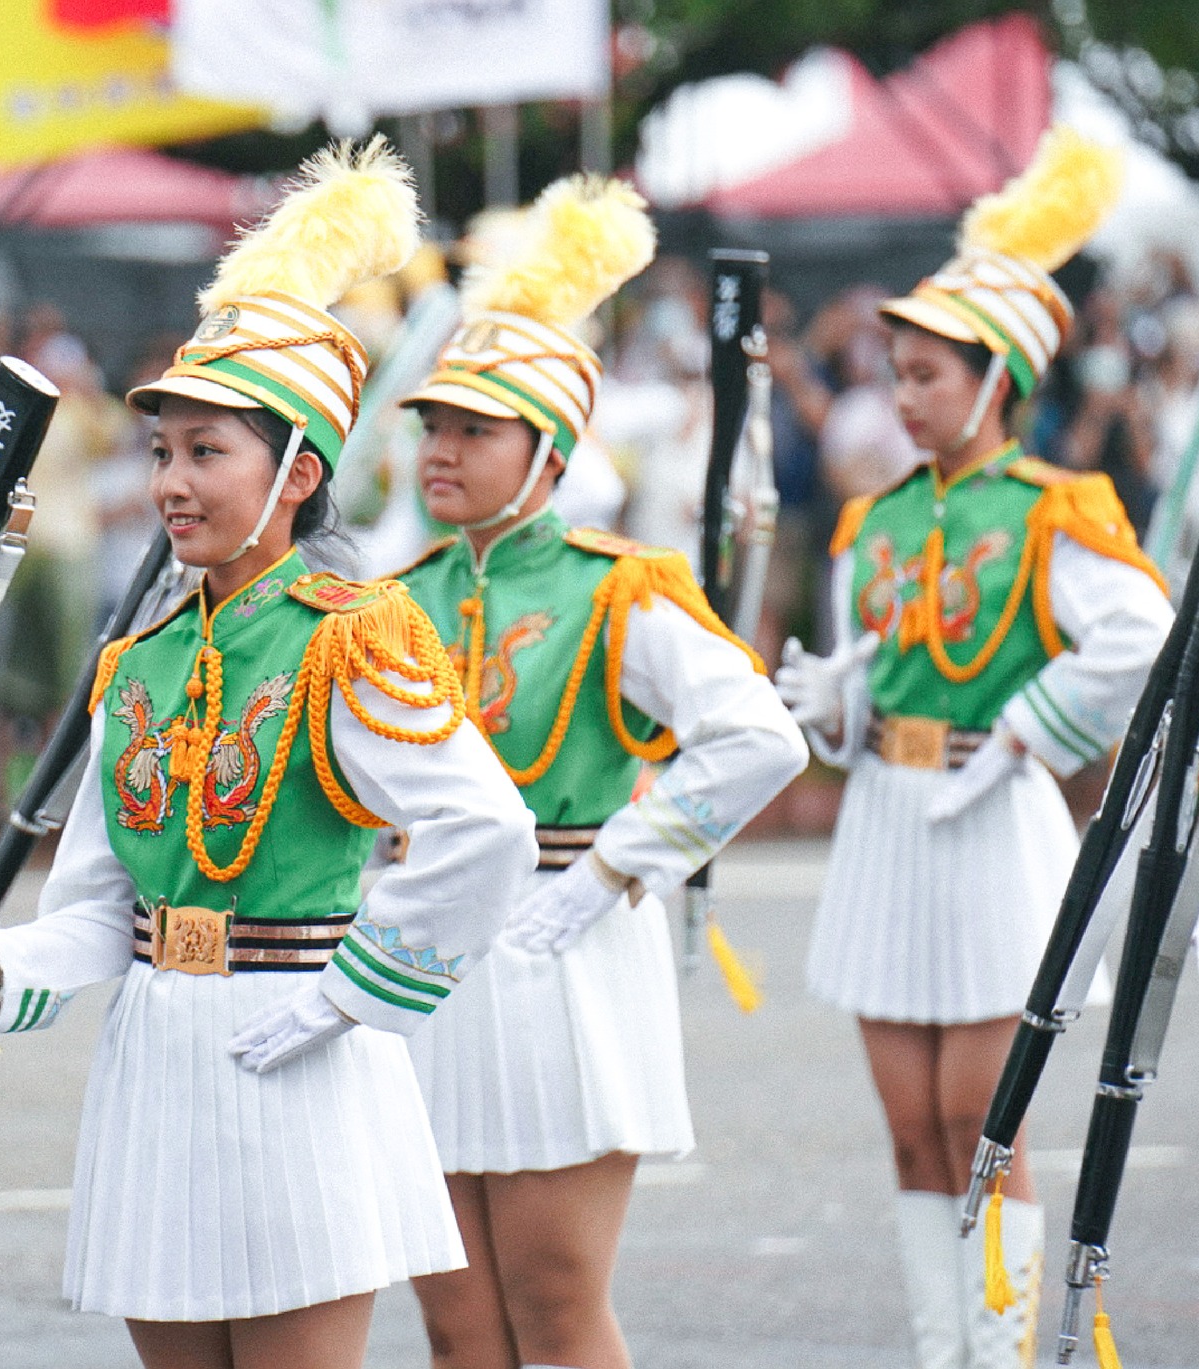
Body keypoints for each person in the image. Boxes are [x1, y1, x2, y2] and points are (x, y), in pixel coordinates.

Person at [0, 139, 537, 1369]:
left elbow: (488, 830)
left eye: (205, 451)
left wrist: (355, 992)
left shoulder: (351, 635)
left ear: (298, 473)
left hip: (298, 1049)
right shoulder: (141, 661)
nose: (169, 480)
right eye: (162, 451)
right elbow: (101, 909)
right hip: (155, 1062)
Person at [391, 176, 808, 1369]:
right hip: (421, 944)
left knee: (556, 1301)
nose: (442, 450)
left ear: (549, 451)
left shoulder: (612, 587)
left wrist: (617, 869)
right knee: (456, 1324)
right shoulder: (395, 598)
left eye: (475, 430)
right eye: (433, 426)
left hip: (558, 946)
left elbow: (757, 736)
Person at [778, 128, 1173, 1369]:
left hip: (990, 817)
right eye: (891, 372)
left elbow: (1138, 634)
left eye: (925, 375)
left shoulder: (1054, 508)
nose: (899, 397)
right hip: (889, 819)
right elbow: (871, 669)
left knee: (978, 1121)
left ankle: (999, 1355)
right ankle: (940, 1349)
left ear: (994, 379)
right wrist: (833, 700)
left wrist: (1021, 734)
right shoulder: (873, 521)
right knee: (907, 1132)